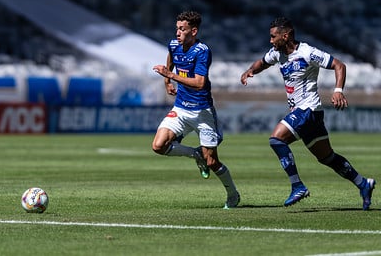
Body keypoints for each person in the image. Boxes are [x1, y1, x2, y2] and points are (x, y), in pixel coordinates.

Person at [240, 17, 376, 210]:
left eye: (273, 36)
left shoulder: (307, 52)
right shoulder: (277, 54)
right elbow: (262, 62)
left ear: (285, 36)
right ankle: (363, 183)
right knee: (327, 157)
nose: (270, 41)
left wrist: (338, 90)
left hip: (308, 109)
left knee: (276, 139)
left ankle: (297, 186)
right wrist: (249, 71)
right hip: (308, 114)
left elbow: (339, 65)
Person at [152, 11, 240, 209]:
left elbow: (200, 83)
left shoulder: (202, 51)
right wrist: (167, 81)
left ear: (193, 31)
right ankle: (195, 154)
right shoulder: (174, 45)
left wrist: (171, 76)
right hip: (181, 109)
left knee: (212, 162)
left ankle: (232, 194)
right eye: (176, 28)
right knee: (158, 146)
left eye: (182, 29)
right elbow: (170, 59)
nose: (177, 33)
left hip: (202, 113)